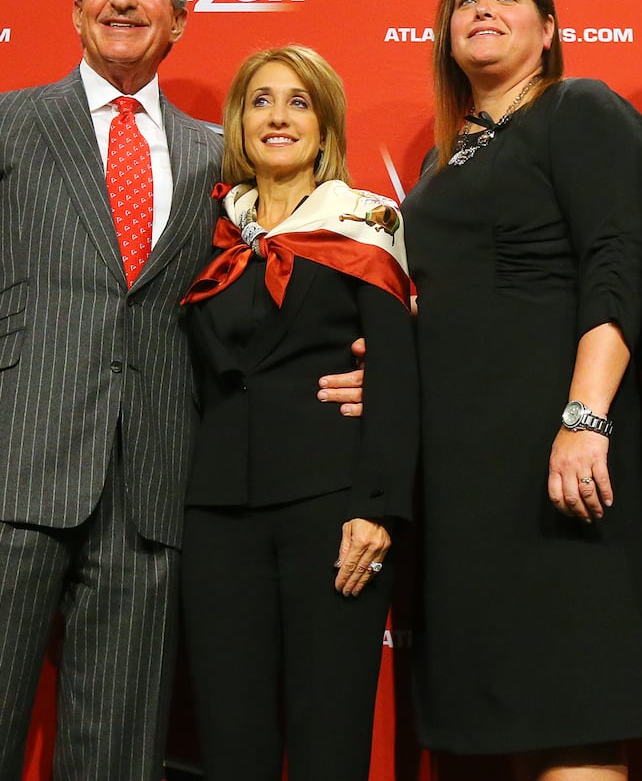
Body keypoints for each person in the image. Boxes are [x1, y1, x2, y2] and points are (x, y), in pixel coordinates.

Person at [0, 0, 362, 781]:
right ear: (76, 10)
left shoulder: (218, 158)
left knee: (117, 757)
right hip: (0, 478)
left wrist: (358, 359)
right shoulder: (0, 122)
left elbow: (265, 298)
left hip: (152, 493)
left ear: (177, 19)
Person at [401, 0, 642, 780]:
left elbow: (617, 269)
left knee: (571, 710)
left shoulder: (579, 108)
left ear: (548, 27)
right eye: (466, 0)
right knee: (490, 722)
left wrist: (585, 420)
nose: (483, 11)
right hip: (462, 477)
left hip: (560, 455)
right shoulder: (446, 155)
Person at [177, 44, 418, 781]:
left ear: (324, 125)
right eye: (260, 100)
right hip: (216, 514)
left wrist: (376, 507)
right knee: (229, 737)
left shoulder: (367, 221)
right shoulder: (206, 226)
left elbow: (397, 376)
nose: (277, 117)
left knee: (329, 733)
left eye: (298, 102)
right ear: (238, 121)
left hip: (331, 508)